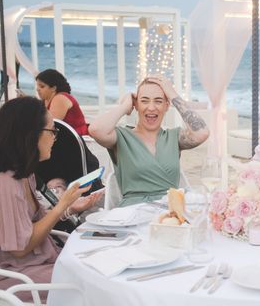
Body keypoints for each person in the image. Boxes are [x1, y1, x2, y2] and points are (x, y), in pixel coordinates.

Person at [0, 97, 87, 298]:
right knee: (89, 281)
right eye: (52, 131)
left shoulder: (22, 174)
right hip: (10, 276)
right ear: (30, 135)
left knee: (92, 268)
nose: (54, 138)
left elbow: (25, 224)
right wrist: (61, 205)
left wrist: (69, 208)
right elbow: (20, 247)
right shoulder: (3, 182)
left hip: (29, 265)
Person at [89, 75, 209, 207]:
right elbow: (95, 130)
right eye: (144, 101)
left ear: (166, 105)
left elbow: (201, 133)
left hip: (169, 215)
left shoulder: (173, 137)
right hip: (132, 215)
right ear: (136, 105)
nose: (151, 107)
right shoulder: (121, 137)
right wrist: (124, 106)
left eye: (158, 101)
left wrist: (172, 94)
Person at [35, 69, 90, 136]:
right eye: (37, 86)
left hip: (75, 136)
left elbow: (50, 125)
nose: (37, 89)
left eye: (42, 86)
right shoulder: (45, 100)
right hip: (61, 135)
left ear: (53, 88)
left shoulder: (60, 98)